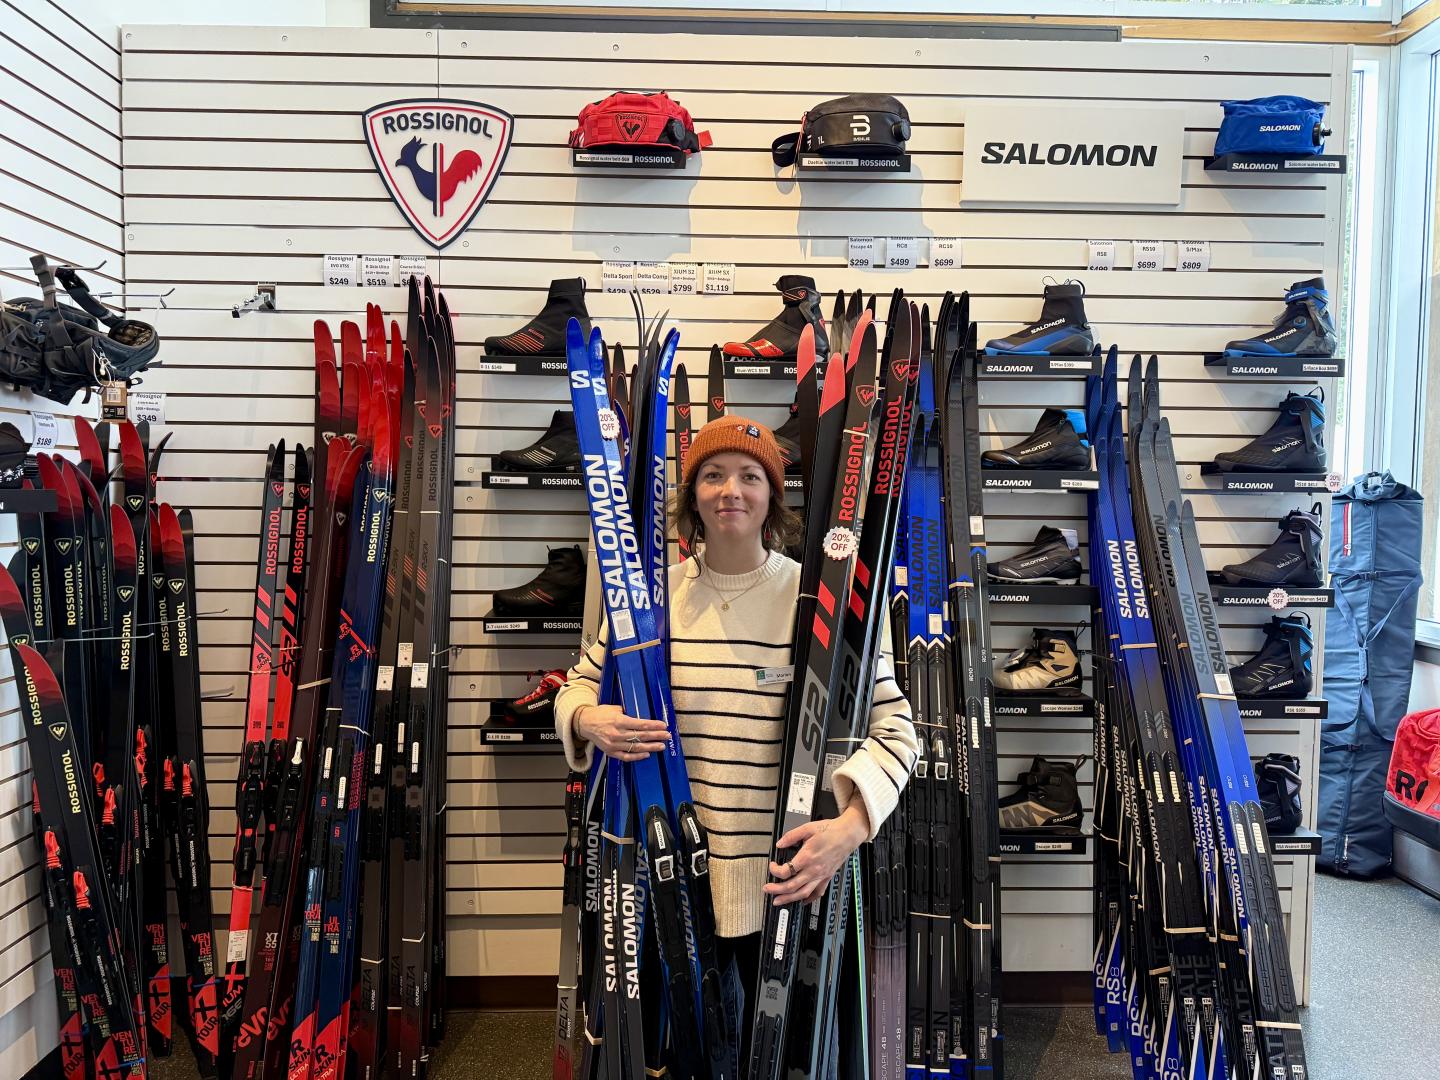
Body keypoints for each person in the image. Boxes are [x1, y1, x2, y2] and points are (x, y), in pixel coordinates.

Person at [554, 415, 917, 1062]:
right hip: (672, 887)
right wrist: (588, 719)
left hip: (783, 886)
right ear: (692, 496)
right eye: (713, 475)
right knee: (690, 1060)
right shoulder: (652, 599)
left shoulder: (821, 599)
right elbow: (579, 685)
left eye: (750, 476)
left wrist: (850, 829)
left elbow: (896, 732)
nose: (731, 491)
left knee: (778, 1058)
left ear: (773, 496)